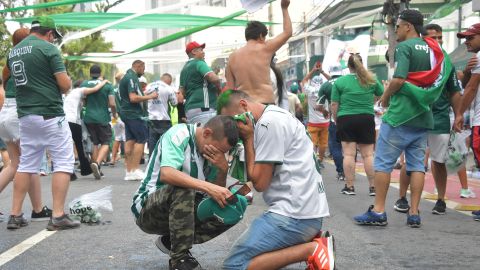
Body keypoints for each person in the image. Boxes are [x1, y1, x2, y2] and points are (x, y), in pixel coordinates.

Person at [354, 10, 458, 228]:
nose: (397, 30)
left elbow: (399, 79)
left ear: (408, 26)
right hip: (424, 116)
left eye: (398, 26)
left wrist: (384, 97)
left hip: (400, 116)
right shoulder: (436, 49)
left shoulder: (404, 48)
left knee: (382, 164)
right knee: (417, 166)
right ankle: (414, 213)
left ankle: (379, 211)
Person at [218, 90, 332, 270]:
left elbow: (260, 184)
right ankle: (310, 246)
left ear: (243, 106)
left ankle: (312, 249)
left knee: (234, 265)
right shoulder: (276, 115)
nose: (234, 129)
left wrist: (248, 139)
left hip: (295, 216)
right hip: (305, 212)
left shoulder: (268, 124)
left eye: (233, 121)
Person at [132, 115, 239, 270]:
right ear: (206, 133)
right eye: (218, 149)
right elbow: (167, 174)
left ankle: (173, 241)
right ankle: (179, 259)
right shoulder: (179, 134)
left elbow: (212, 199)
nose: (219, 155)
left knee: (232, 206)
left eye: (224, 153)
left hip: (180, 210)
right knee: (184, 186)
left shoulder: (214, 155)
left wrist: (223, 170)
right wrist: (209, 188)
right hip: (148, 208)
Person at [6, 16, 80, 230]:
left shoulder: (13, 51)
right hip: (49, 112)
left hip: (25, 115)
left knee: (26, 164)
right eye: (53, 37)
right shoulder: (49, 50)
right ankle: (57, 215)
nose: (53, 40)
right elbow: (65, 85)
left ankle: (15, 214)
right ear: (49, 33)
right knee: (64, 162)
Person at [393, 24, 464, 215]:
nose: (439, 41)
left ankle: (440, 200)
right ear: (424, 39)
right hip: (414, 116)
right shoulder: (415, 57)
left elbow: (455, 92)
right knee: (411, 161)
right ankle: (402, 198)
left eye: (441, 37)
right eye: (434, 37)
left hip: (439, 118)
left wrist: (458, 114)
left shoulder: (446, 62)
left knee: (439, 161)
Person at [330, 54, 384, 196]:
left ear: (348, 66)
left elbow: (334, 104)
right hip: (366, 117)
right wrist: (371, 101)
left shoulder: (340, 82)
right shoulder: (371, 80)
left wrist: (336, 119)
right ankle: (373, 188)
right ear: (362, 64)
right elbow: (382, 94)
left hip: (346, 118)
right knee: (368, 155)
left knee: (348, 154)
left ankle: (350, 186)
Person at [225, 0, 291, 104]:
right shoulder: (265, 48)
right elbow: (287, 32)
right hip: (266, 105)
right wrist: (284, 8)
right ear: (261, 36)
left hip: (246, 107)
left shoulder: (232, 58)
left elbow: (230, 90)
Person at [456, 23, 480, 221]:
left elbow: (471, 89)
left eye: (471, 37)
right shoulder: (474, 61)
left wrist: (459, 114)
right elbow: (466, 82)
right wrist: (466, 71)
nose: (466, 42)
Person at [119, 60, 158, 181]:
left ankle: (129, 171)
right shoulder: (132, 77)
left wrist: (144, 94)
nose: (144, 70)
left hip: (126, 114)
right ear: (138, 66)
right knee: (141, 140)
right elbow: (133, 98)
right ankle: (135, 169)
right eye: (143, 67)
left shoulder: (126, 77)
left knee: (130, 140)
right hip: (134, 114)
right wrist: (150, 96)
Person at [64, 79, 109, 178]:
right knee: (79, 146)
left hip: (64, 121)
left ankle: (75, 171)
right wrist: (104, 82)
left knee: (69, 146)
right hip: (73, 121)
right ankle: (84, 169)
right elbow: (95, 89)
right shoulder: (80, 90)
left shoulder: (71, 94)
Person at [80, 65, 116, 179]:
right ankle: (97, 163)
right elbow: (112, 103)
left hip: (88, 117)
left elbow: (83, 101)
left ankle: (97, 169)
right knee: (106, 142)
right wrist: (114, 113)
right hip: (102, 117)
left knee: (94, 143)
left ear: (90, 73)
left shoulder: (84, 84)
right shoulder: (107, 85)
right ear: (100, 73)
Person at [179, 41, 221, 125]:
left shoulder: (184, 69)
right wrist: (218, 89)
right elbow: (214, 79)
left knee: (198, 137)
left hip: (190, 111)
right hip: (205, 110)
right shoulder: (199, 63)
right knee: (210, 136)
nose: (203, 52)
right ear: (194, 52)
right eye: (201, 50)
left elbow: (180, 95)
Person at [318, 65, 344, 181]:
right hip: (350, 118)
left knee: (335, 146)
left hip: (335, 119)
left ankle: (341, 172)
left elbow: (318, 105)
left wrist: (324, 111)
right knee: (350, 146)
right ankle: (350, 169)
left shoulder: (326, 85)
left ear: (330, 71)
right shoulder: (348, 80)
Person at [302, 64, 331, 166]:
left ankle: (313, 160)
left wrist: (313, 70)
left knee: (312, 143)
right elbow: (332, 80)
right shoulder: (326, 89)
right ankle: (320, 160)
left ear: (313, 83)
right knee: (323, 144)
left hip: (313, 122)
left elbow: (303, 81)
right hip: (325, 122)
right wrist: (322, 71)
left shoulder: (309, 90)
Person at [146, 73, 177, 157]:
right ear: (169, 81)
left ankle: (152, 162)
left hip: (151, 119)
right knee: (166, 142)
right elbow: (174, 103)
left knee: (152, 142)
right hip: (164, 120)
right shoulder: (168, 88)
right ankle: (165, 162)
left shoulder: (149, 86)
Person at [111, 72, 125, 167]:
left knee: (117, 137)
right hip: (123, 116)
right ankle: (127, 159)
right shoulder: (124, 88)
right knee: (126, 138)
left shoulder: (112, 89)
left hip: (114, 117)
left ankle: (113, 158)